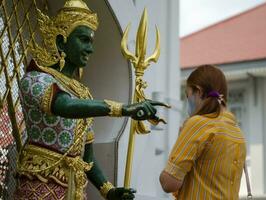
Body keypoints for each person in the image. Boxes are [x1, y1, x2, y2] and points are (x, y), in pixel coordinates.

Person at [15, 0, 167, 199]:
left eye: (91, 42)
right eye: (84, 40)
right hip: (40, 183)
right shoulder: (36, 78)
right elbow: (64, 105)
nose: (90, 49)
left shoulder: (84, 94)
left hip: (75, 188)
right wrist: (122, 109)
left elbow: (88, 157)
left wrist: (108, 190)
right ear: (61, 42)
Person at [159, 65, 247, 199]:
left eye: (187, 95)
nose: (187, 102)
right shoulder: (236, 130)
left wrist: (180, 142)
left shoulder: (198, 124)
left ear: (199, 92)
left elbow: (169, 183)